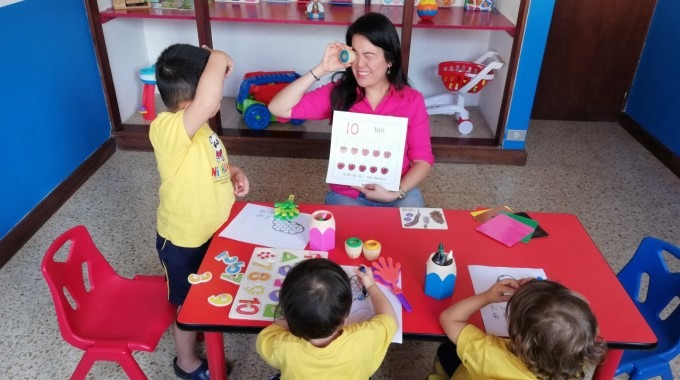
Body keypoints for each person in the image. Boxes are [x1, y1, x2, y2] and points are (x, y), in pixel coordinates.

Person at [151, 43, 250, 380]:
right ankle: (186, 362)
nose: (217, 98)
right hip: (183, 242)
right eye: (214, 85)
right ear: (190, 101)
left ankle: (211, 325)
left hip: (212, 232)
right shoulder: (165, 129)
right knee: (188, 303)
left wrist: (233, 171)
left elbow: (210, 161)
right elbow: (208, 101)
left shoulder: (199, 127)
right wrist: (219, 54)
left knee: (207, 289)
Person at [268, 12, 434, 207]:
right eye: (355, 54)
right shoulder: (339, 92)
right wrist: (321, 69)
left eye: (369, 56)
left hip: (397, 189)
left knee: (410, 234)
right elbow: (278, 108)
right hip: (349, 195)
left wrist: (396, 192)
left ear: (390, 60)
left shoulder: (412, 100)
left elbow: (422, 160)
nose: (359, 64)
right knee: (347, 236)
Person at [429, 278, 606, 380]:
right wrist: (537, 292)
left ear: (518, 337)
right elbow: (564, 318)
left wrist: (486, 297)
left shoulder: (487, 352)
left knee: (447, 349)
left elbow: (449, 318)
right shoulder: (573, 361)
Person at [256, 258, 398, 380]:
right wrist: (371, 285)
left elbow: (270, 333)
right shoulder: (365, 337)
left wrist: (292, 316)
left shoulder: (280, 346)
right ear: (343, 320)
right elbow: (389, 318)